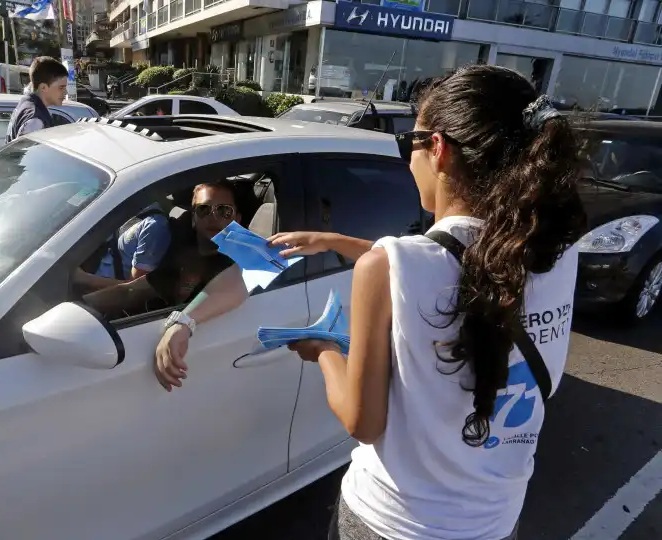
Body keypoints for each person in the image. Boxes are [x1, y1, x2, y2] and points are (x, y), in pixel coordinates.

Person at [164, 65, 591, 538]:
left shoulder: (392, 267)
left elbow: (363, 422)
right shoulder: (554, 252)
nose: (408, 161)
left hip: (394, 521)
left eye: (409, 144)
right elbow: (462, 270)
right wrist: (335, 240)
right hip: (495, 520)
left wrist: (323, 352)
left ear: (440, 150)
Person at [82, 180, 244, 322]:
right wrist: (81, 306)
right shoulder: (184, 256)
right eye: (204, 209)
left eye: (224, 211)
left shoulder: (239, 267)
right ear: (194, 219)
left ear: (237, 219)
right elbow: (129, 291)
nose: (213, 217)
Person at [75, 202, 172, 292]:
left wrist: (84, 278)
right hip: (84, 265)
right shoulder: (128, 207)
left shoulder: (154, 226)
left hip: (96, 290)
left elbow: (135, 289)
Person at [6, 56, 68, 141]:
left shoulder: (26, 103)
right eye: (61, 88)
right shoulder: (35, 120)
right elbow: (25, 153)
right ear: (43, 88)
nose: (65, 92)